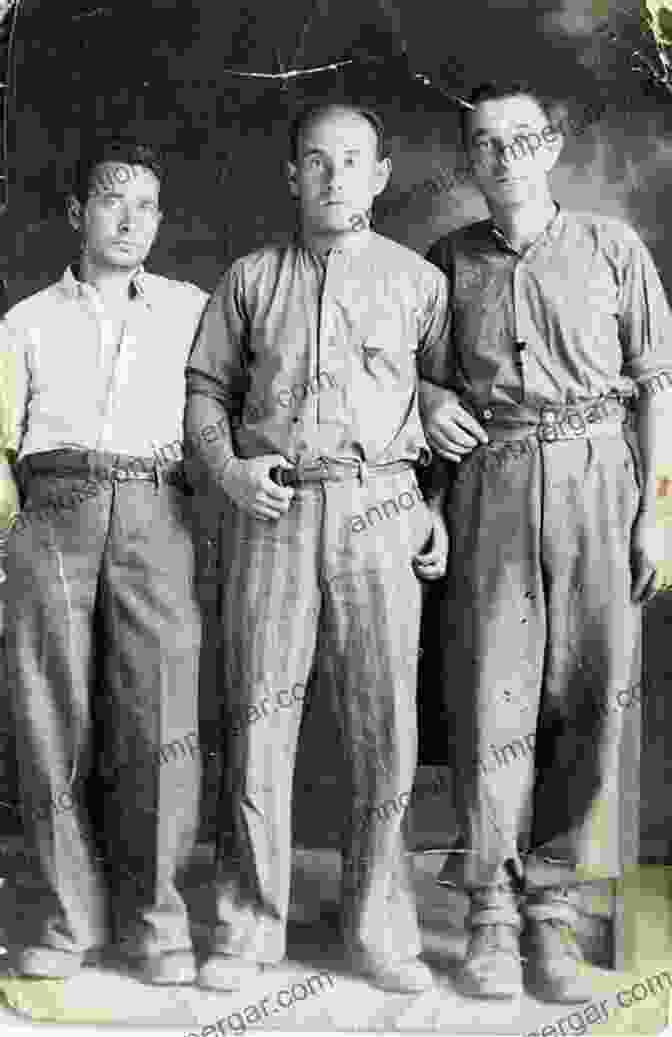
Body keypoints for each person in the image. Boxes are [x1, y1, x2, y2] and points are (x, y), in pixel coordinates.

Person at [184, 102, 450, 994]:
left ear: (380, 174)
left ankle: (378, 924)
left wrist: (431, 505)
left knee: (386, 728)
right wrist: (229, 474)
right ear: (292, 174)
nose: (335, 177)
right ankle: (248, 925)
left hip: (380, 508)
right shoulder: (250, 279)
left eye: (352, 160)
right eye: (316, 161)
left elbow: (447, 406)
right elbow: (204, 398)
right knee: (259, 717)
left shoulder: (419, 283)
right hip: (277, 509)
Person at [421, 81, 672, 1002]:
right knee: (492, 697)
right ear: (470, 159)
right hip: (493, 478)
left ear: (553, 145)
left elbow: (657, 386)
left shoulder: (612, 245)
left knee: (589, 693)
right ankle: (489, 913)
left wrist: (657, 510)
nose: (504, 157)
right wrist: (434, 403)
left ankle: (553, 915)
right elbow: (422, 384)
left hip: (600, 477)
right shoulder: (447, 259)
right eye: (485, 143)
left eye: (521, 138)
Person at [0, 138, 207, 984]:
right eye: (113, 201)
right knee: (52, 717)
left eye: (148, 205)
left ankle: (158, 921)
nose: (130, 220)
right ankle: (67, 916)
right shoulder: (25, 321)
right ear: (77, 212)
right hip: (52, 509)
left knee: (163, 720)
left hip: (158, 507)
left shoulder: (194, 309)